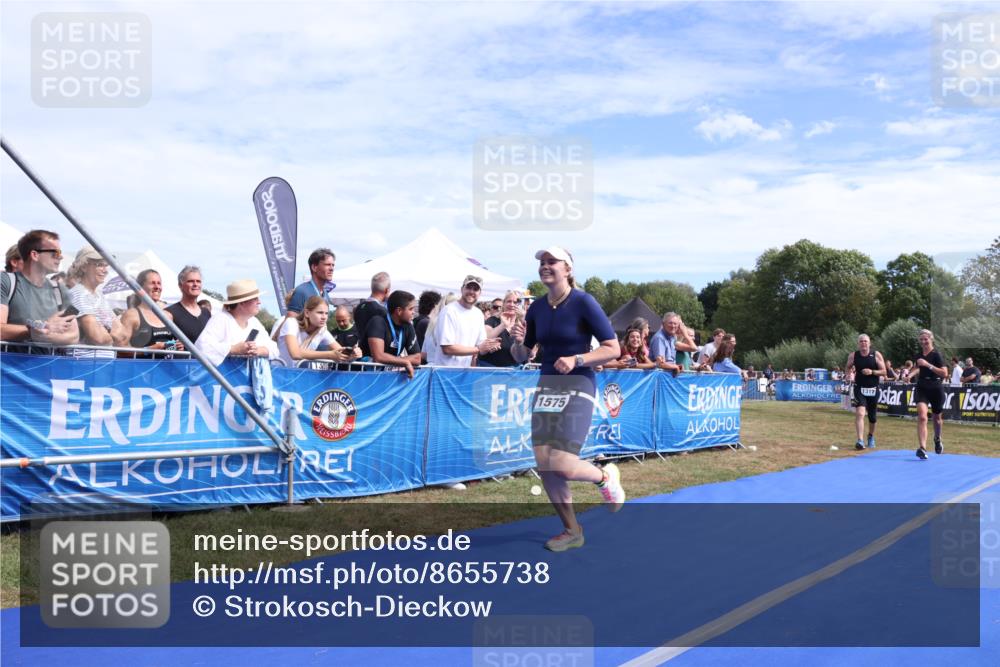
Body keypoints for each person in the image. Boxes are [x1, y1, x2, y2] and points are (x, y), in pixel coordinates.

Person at [510, 245, 623, 552]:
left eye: (552, 262)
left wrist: (578, 358)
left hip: (578, 383)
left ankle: (604, 476)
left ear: (568, 269)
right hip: (547, 385)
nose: (544, 266)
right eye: (542, 262)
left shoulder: (584, 301)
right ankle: (573, 531)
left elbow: (613, 348)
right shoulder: (536, 309)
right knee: (545, 465)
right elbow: (523, 356)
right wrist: (519, 343)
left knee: (561, 463)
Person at [0, 230, 79, 346]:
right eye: (55, 253)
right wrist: (40, 329)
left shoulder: (61, 290)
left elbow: (73, 335)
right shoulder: (5, 280)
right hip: (11, 363)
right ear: (35, 255)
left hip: (51, 363)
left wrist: (45, 334)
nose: (61, 257)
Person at [195, 279, 278, 366]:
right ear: (242, 303)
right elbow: (201, 346)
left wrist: (258, 350)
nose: (259, 302)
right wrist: (233, 349)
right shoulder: (221, 319)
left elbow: (274, 349)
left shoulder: (254, 322)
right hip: (223, 377)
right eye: (255, 299)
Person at [426, 275, 500, 366]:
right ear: (462, 289)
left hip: (464, 373)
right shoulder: (449, 311)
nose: (471, 291)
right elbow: (447, 348)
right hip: (445, 373)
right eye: (468, 287)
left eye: (475, 289)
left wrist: (490, 346)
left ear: (480, 293)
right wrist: (479, 349)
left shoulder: (478, 314)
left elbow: (480, 346)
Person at [66, 246, 125, 358]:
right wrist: (112, 333)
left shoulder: (99, 295)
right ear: (83, 267)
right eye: (99, 265)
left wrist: (105, 331)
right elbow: (98, 338)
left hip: (100, 364)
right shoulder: (78, 293)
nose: (105, 270)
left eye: (106, 265)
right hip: (86, 364)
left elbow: (123, 335)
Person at [276, 296, 357, 368]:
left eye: (326, 313)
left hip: (298, 375)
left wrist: (352, 354)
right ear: (307, 313)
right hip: (279, 373)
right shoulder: (291, 323)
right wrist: (330, 355)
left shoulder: (322, 331)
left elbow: (341, 353)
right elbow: (295, 353)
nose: (324, 317)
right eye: (320, 313)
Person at [907, 329, 948, 460]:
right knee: (922, 416)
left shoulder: (937, 355)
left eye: (926, 339)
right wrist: (909, 375)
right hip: (922, 387)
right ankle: (922, 448)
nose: (924, 341)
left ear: (931, 339)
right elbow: (918, 367)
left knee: (937, 418)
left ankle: (937, 438)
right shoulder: (918, 354)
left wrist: (928, 365)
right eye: (922, 339)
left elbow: (944, 373)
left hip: (936, 387)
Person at [119, 269, 183, 353]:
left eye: (159, 283)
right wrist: (148, 350)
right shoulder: (131, 315)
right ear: (140, 287)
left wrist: (178, 347)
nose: (157, 287)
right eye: (152, 283)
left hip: (167, 365)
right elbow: (120, 350)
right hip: (142, 366)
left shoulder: (168, 316)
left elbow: (173, 346)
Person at [366, 290, 423, 378]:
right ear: (399, 311)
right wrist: (404, 362)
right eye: (411, 309)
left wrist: (398, 361)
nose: (414, 312)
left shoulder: (408, 326)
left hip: (388, 377)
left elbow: (417, 358)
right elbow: (378, 356)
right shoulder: (378, 322)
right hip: (366, 376)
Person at [845, 334, 886, 450]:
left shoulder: (876, 355)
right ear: (858, 344)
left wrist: (872, 372)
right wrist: (848, 375)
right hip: (859, 388)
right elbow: (848, 366)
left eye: (865, 341)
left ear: (869, 343)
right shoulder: (853, 356)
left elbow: (884, 372)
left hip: (873, 388)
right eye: (861, 341)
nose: (863, 343)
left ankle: (871, 436)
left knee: (872, 417)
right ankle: (860, 440)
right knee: (860, 413)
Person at [166, 265, 211, 343]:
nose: (195, 284)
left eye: (198, 281)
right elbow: (164, 344)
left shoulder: (206, 313)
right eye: (191, 281)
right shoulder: (169, 313)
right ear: (180, 285)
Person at [287, 248, 336, 317]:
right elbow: (290, 322)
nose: (331, 269)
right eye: (327, 264)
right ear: (314, 267)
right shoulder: (301, 291)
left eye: (333, 265)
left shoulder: (325, 294)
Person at [479, 290, 523, 368]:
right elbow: (485, 337)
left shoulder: (521, 323)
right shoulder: (492, 320)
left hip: (514, 370)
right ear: (504, 304)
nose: (512, 304)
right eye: (509, 301)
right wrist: (503, 325)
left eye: (515, 302)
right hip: (490, 368)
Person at [353, 271, 391, 357]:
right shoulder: (382, 311)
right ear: (387, 290)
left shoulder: (358, 308)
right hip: (376, 359)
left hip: (361, 356)